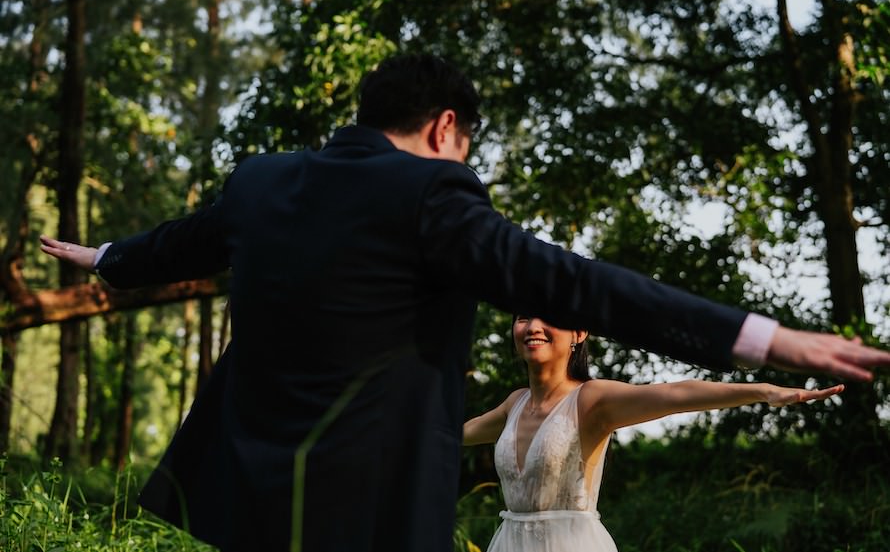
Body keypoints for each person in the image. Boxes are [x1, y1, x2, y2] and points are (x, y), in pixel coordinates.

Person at [38, 53, 890, 552]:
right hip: (367, 513)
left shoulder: (262, 182)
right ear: (446, 128)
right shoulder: (434, 197)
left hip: (244, 500)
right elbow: (578, 283)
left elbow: (175, 244)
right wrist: (764, 336)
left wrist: (108, 257)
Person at [462, 316, 844, 551]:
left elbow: (675, 394)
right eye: (524, 318)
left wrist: (764, 391)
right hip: (509, 544)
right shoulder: (514, 403)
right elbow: (450, 436)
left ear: (578, 333)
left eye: (550, 319)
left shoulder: (591, 399)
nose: (533, 327)